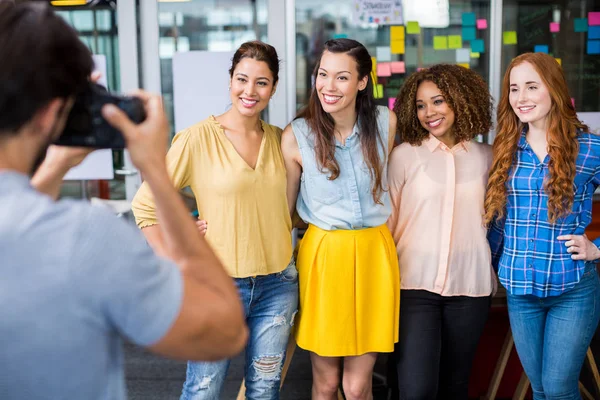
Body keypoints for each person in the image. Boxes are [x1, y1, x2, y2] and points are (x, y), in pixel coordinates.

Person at [0, 3, 247, 400]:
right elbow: (223, 331)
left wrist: (57, 161)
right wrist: (155, 170)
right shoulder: (83, 237)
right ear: (50, 115)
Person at [131, 41, 298, 400]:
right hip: (218, 286)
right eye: (242, 79)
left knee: (265, 388)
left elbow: (289, 207)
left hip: (278, 284)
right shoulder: (196, 139)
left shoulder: (281, 141)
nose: (249, 91)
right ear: (230, 82)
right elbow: (146, 206)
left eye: (262, 82)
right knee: (203, 390)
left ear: (273, 87)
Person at [281, 38, 399, 400]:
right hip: (324, 256)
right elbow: (284, 213)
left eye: (342, 77)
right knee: (327, 383)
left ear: (363, 81)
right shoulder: (296, 135)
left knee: (356, 384)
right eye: (323, 74)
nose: (328, 86)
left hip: (374, 255)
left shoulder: (386, 122)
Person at [485, 52, 600, 400]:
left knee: (560, 390)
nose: (521, 98)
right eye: (514, 88)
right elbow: (497, 222)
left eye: (532, 87)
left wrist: (597, 248)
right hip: (519, 291)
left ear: (554, 89)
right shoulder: (504, 149)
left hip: (573, 290)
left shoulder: (590, 148)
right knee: (539, 390)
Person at [388, 64, 495, 400]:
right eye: (420, 105)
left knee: (456, 386)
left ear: (461, 101)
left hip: (471, 287)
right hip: (412, 287)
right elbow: (387, 225)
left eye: (438, 102)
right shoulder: (403, 157)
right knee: (416, 390)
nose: (428, 113)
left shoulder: (487, 157)